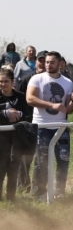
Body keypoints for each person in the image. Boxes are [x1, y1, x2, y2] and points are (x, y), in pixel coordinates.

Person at [26, 51, 73, 200]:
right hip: (41, 127)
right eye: (46, 62)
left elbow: (68, 109)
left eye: (51, 62)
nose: (48, 65)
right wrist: (51, 105)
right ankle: (39, 193)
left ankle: (59, 193)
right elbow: (30, 99)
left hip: (61, 127)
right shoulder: (37, 78)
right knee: (41, 162)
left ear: (60, 64)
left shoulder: (68, 82)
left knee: (63, 160)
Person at [0, 68, 31, 200]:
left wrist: (19, 115)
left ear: (13, 82)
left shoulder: (20, 96)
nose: (3, 84)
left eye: (6, 81)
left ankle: (11, 198)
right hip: (1, 139)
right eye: (0, 81)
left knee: (13, 168)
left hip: (16, 139)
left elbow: (30, 115)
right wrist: (4, 113)